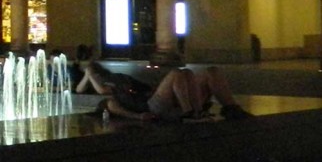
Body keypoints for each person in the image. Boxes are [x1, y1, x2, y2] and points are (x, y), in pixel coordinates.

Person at [79, 61, 251, 121]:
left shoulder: (119, 79)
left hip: (164, 99)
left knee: (210, 72)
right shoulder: (109, 101)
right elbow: (97, 90)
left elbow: (148, 88)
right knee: (177, 73)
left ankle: (230, 108)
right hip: (151, 107)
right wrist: (89, 73)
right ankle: (190, 113)